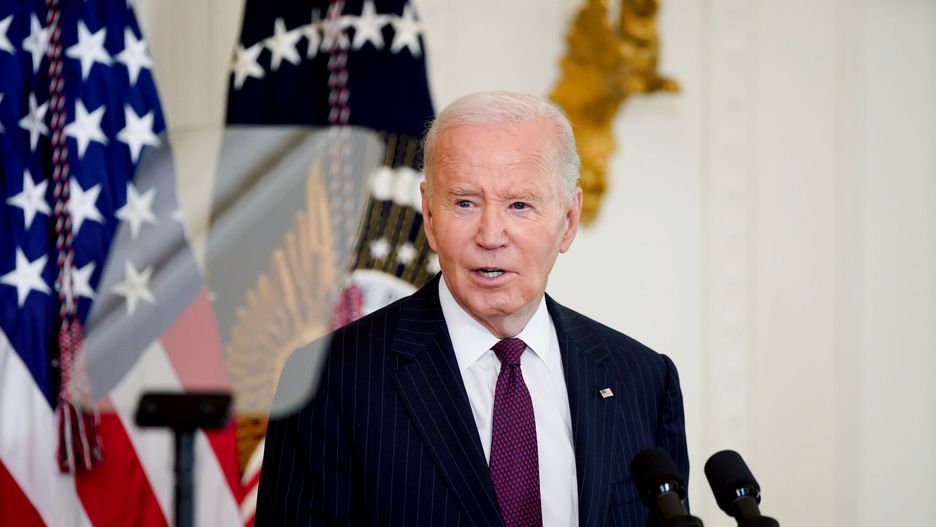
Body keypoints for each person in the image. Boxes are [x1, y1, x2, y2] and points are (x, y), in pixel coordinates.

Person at [255, 91, 688, 526]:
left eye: (520, 205)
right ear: (428, 214)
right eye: (465, 203)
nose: (491, 235)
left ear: (568, 222)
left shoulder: (644, 381)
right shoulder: (328, 378)